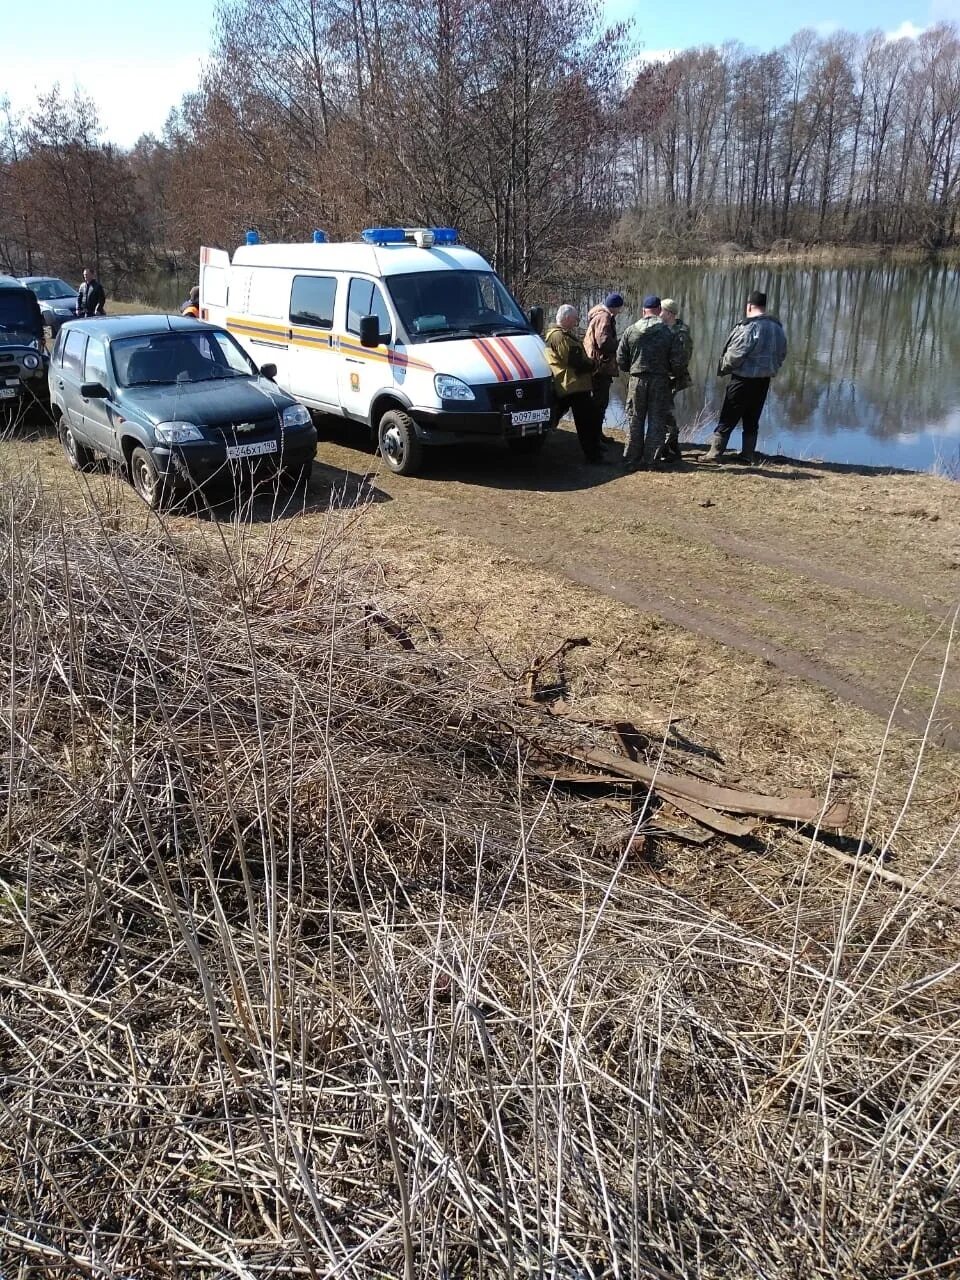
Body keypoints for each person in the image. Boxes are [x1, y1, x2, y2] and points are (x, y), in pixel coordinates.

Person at [701, 289, 787, 466]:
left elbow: (735, 354)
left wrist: (724, 367)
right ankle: (748, 454)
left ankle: (714, 454)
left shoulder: (750, 327)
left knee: (728, 416)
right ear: (764, 306)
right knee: (752, 418)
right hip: (764, 380)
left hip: (743, 379)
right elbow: (782, 353)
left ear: (749, 306)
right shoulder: (777, 327)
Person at [616, 295, 688, 471]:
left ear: (643, 311)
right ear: (658, 311)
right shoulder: (669, 333)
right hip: (660, 381)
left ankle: (631, 460)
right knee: (657, 420)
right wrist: (673, 374)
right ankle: (651, 461)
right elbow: (679, 362)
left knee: (635, 419)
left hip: (637, 380)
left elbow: (620, 358)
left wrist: (632, 368)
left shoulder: (631, 331)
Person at [544, 305, 604, 463]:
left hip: (570, 384)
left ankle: (593, 451)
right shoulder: (559, 337)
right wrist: (593, 364)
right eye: (575, 318)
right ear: (566, 318)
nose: (577, 321)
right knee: (586, 421)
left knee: (557, 414)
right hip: (573, 385)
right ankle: (593, 456)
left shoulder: (560, 335)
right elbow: (574, 361)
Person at [583, 291, 624, 444]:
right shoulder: (604, 317)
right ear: (614, 307)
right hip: (600, 366)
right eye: (619, 308)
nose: (620, 312)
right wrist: (619, 344)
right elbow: (604, 342)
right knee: (600, 402)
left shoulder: (598, 314)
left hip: (596, 365)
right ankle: (594, 437)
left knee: (598, 401)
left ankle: (596, 434)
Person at [660, 298, 692, 462]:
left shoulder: (681, 333)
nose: (659, 313)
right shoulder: (664, 328)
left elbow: (682, 360)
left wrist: (670, 375)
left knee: (666, 412)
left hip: (672, 379)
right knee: (664, 411)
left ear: (669, 313)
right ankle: (671, 448)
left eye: (662, 310)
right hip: (662, 378)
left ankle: (670, 449)